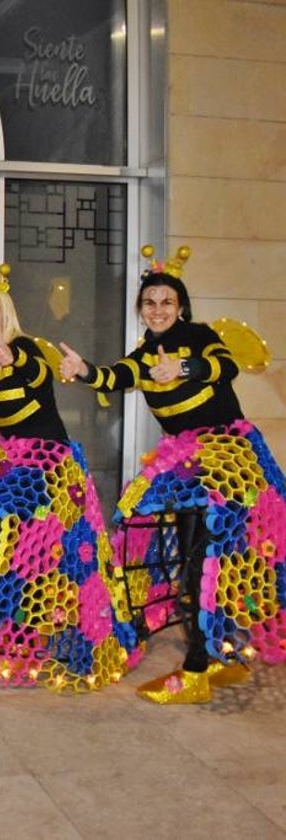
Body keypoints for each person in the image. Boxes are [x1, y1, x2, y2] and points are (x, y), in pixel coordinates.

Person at [59, 245, 285, 704]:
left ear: (180, 307)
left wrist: (182, 367)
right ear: (141, 311)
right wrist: (83, 370)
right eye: (150, 302)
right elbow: (114, 376)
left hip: (226, 465)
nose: (158, 309)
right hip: (186, 468)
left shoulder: (199, 336)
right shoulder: (143, 354)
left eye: (166, 302)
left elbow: (224, 367)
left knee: (205, 562)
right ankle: (215, 655)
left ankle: (200, 667)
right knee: (194, 560)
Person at [0, 263, 134, 693]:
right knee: (9, 551)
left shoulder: (26, 348)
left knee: (32, 558)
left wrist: (12, 359)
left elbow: (35, 374)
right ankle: (14, 640)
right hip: (12, 465)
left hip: (47, 469)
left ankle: (25, 645)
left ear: (6, 314)